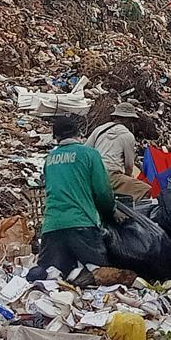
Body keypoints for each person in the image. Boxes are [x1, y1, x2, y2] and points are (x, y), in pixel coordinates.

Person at [28, 115, 115, 282]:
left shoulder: (50, 159)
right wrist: (109, 214)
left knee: (47, 277)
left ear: (55, 137)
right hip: (82, 225)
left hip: (52, 226)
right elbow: (103, 192)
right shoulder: (90, 154)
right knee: (100, 276)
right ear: (79, 133)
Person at [86, 102, 151, 201]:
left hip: (92, 174)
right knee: (145, 190)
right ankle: (127, 214)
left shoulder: (99, 129)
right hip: (111, 176)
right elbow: (129, 166)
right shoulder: (127, 135)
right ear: (128, 119)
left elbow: (86, 151)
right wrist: (129, 177)